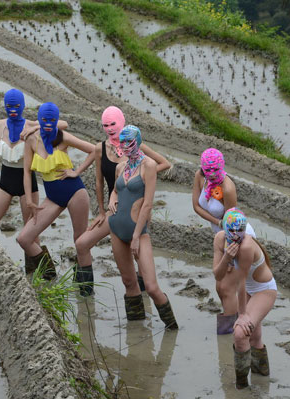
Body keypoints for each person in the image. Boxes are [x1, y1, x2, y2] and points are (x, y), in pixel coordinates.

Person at [74, 106, 170, 296]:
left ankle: (143, 302)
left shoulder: (135, 144)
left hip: (137, 209)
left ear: (122, 122)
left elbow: (164, 163)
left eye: (113, 124)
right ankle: (86, 296)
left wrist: (142, 178)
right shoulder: (100, 149)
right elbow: (99, 183)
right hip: (114, 210)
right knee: (82, 244)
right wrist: (101, 212)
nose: (110, 128)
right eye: (105, 125)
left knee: (139, 261)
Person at [0, 89, 67, 263]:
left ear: (23, 106)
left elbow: (63, 124)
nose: (13, 110)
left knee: (31, 236)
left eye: (17, 106)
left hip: (27, 184)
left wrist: (37, 126)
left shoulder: (30, 125)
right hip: (5, 182)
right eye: (9, 106)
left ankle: (42, 274)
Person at [108, 125, 178, 329]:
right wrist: (112, 199)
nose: (124, 147)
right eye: (122, 143)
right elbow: (115, 189)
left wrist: (137, 236)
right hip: (117, 228)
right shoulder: (120, 167)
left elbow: (148, 203)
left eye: (128, 142)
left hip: (138, 231)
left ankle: (172, 327)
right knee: (129, 282)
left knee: (151, 286)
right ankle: (136, 329)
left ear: (137, 142)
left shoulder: (148, 165)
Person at [16, 102, 95, 281]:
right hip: (52, 198)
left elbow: (94, 150)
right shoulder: (31, 139)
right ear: (40, 119)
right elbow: (27, 172)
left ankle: (85, 292)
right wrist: (29, 200)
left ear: (57, 120)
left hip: (75, 193)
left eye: (53, 120)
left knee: (80, 242)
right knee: (24, 238)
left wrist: (76, 171)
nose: (49, 123)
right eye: (44, 120)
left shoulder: (63, 137)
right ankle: (50, 275)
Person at [192, 148, 256, 334]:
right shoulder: (200, 176)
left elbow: (232, 224)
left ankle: (232, 332)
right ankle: (234, 326)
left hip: (236, 238)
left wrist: (229, 255)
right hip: (220, 235)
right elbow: (196, 206)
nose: (210, 175)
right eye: (207, 171)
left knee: (227, 287)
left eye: (215, 171)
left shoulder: (228, 188)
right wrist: (217, 222)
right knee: (220, 287)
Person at [212, 208, 276, 389]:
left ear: (245, 228)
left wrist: (243, 315)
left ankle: (241, 386)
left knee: (240, 332)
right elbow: (218, 275)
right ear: (224, 229)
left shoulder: (247, 246)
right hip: (248, 288)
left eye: (240, 230)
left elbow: (240, 282)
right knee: (254, 338)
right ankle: (262, 382)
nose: (235, 235)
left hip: (264, 290)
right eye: (231, 231)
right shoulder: (219, 239)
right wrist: (226, 257)